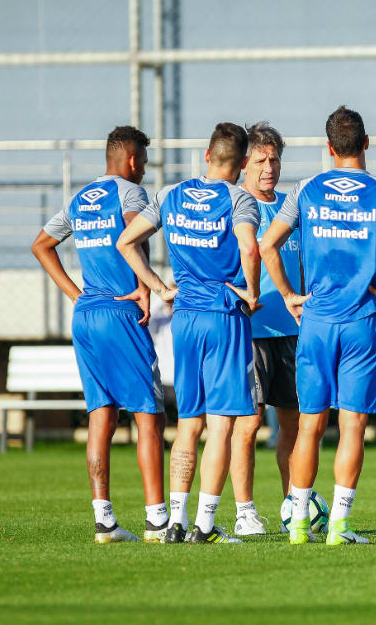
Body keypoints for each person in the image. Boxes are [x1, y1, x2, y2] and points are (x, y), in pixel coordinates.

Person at [260, 105, 376, 546]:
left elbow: (268, 245)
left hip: (316, 321)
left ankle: (296, 525)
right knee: (351, 427)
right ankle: (339, 526)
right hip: (363, 320)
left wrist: (290, 294)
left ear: (329, 148)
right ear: (366, 143)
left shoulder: (306, 188)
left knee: (308, 426)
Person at [117, 122, 261, 545]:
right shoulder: (240, 199)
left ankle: (174, 523)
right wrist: (251, 293)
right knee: (221, 424)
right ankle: (204, 525)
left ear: (206, 155)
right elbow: (250, 248)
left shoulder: (169, 194)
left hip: (185, 318)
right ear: (242, 164)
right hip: (223, 314)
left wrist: (160, 287)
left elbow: (127, 242)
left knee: (188, 423)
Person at [31, 126, 166, 544]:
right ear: (129, 160)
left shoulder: (79, 199)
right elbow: (132, 236)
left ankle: (104, 520)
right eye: (142, 161)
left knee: (101, 415)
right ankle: (157, 521)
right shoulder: (129, 193)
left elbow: (40, 245)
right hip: (122, 312)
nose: (143, 169)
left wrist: (76, 295)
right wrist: (146, 285)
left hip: (87, 315)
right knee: (149, 416)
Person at [229, 122, 302, 536]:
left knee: (292, 424)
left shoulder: (292, 208)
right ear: (243, 164)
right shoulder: (236, 207)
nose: (269, 167)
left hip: (292, 333)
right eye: (260, 160)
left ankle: (294, 505)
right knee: (249, 423)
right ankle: (244, 511)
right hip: (250, 331)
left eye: (274, 159)